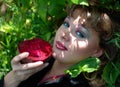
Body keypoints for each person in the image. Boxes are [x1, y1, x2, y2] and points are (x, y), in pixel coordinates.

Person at [0, 4, 119, 87]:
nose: (64, 34)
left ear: (97, 51)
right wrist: (13, 78)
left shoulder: (76, 85)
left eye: (80, 33)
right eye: (66, 24)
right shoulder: (40, 62)